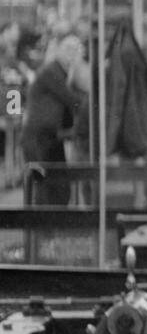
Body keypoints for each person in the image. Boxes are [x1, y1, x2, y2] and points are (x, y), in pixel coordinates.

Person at [20, 32, 88, 205]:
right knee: (45, 191)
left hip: (50, 138)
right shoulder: (52, 72)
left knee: (60, 189)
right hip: (37, 139)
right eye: (70, 50)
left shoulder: (60, 73)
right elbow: (73, 100)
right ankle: (41, 231)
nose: (74, 56)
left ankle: (52, 231)